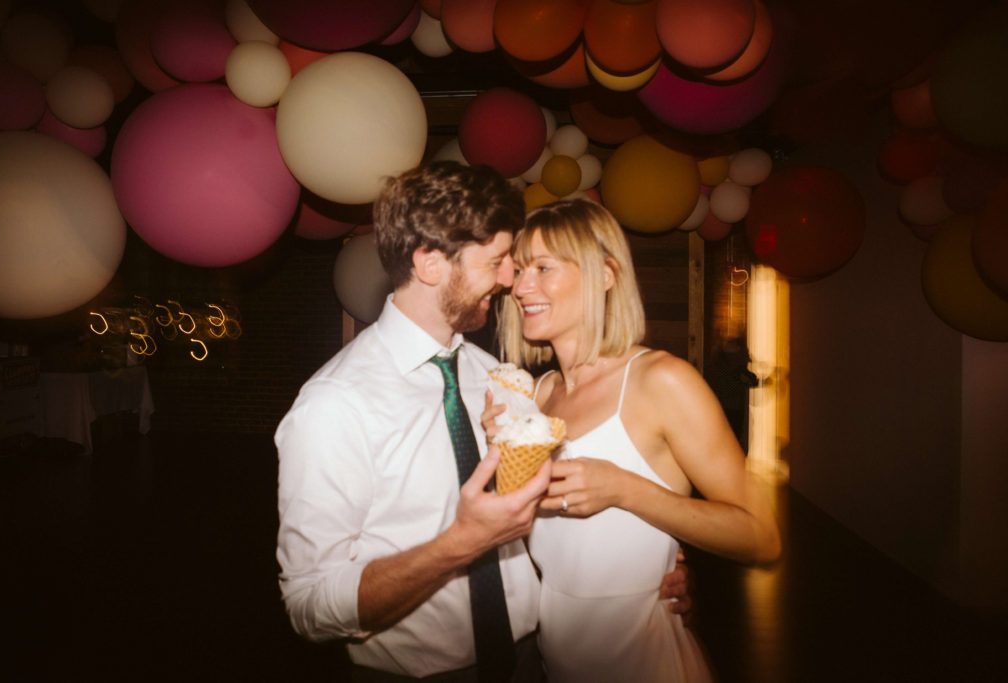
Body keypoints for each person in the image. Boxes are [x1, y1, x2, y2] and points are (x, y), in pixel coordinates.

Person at [274, 162, 689, 682]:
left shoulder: (497, 378)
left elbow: (537, 512)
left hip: (533, 662)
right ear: (429, 264)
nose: (511, 280)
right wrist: (458, 544)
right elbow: (309, 606)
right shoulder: (334, 404)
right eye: (497, 262)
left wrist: (645, 567)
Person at [490, 198, 782, 682]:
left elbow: (761, 537)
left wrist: (626, 490)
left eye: (542, 267)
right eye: (519, 271)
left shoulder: (660, 381)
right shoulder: (537, 396)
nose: (520, 287)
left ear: (606, 274)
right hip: (557, 661)